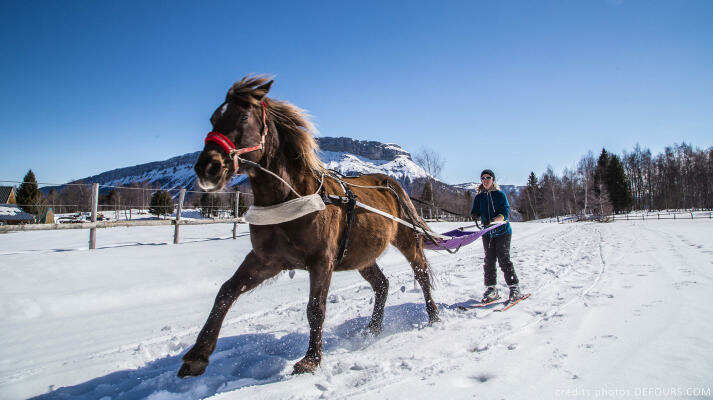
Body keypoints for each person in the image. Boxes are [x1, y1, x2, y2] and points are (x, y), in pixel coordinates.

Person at [470, 169, 522, 303]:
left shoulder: (500, 195)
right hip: (487, 233)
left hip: (502, 232)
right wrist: (474, 215)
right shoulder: (479, 197)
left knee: (504, 259)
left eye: (488, 177)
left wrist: (493, 220)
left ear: (493, 180)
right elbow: (474, 211)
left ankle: (514, 287)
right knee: (489, 261)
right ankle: (491, 289)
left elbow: (504, 214)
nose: (485, 180)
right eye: (483, 178)